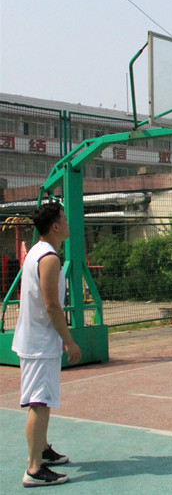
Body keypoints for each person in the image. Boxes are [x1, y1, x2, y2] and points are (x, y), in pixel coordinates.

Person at [12, 202, 81, 487]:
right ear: (55, 226)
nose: (67, 223)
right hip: (39, 343)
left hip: (37, 340)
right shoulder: (49, 258)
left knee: (44, 400)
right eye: (64, 218)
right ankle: (33, 469)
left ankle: (42, 450)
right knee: (39, 403)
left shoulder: (38, 251)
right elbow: (52, 305)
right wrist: (69, 341)